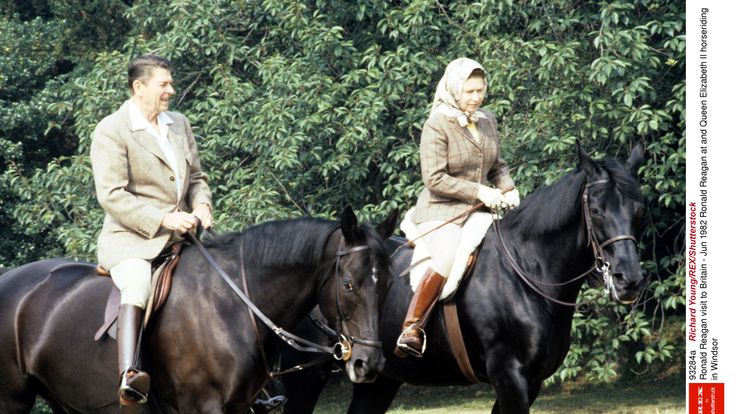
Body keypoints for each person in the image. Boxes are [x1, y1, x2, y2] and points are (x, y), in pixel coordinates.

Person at [90, 54, 213, 405]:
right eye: (164, 84)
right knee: (138, 284)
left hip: (184, 237)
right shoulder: (111, 130)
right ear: (139, 87)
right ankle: (129, 376)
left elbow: (198, 178)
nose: (171, 90)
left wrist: (202, 203)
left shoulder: (179, 124)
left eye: (171, 83)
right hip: (131, 241)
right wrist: (163, 218)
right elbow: (111, 195)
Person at [394, 57, 520, 358]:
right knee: (449, 256)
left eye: (480, 90)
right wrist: (479, 191)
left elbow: (497, 165)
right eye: (469, 92)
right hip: (441, 210)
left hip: (480, 212)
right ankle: (412, 327)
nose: (476, 98)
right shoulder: (437, 123)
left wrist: (508, 187)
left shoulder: (487, 119)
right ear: (454, 90)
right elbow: (434, 178)